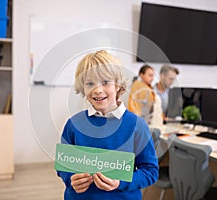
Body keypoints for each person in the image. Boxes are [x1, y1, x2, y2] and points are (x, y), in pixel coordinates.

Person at [56, 50, 158, 200]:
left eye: (105, 82)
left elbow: (150, 171)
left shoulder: (137, 126)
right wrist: (70, 178)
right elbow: (62, 166)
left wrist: (121, 182)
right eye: (90, 83)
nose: (97, 90)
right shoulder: (73, 124)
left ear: (118, 85)